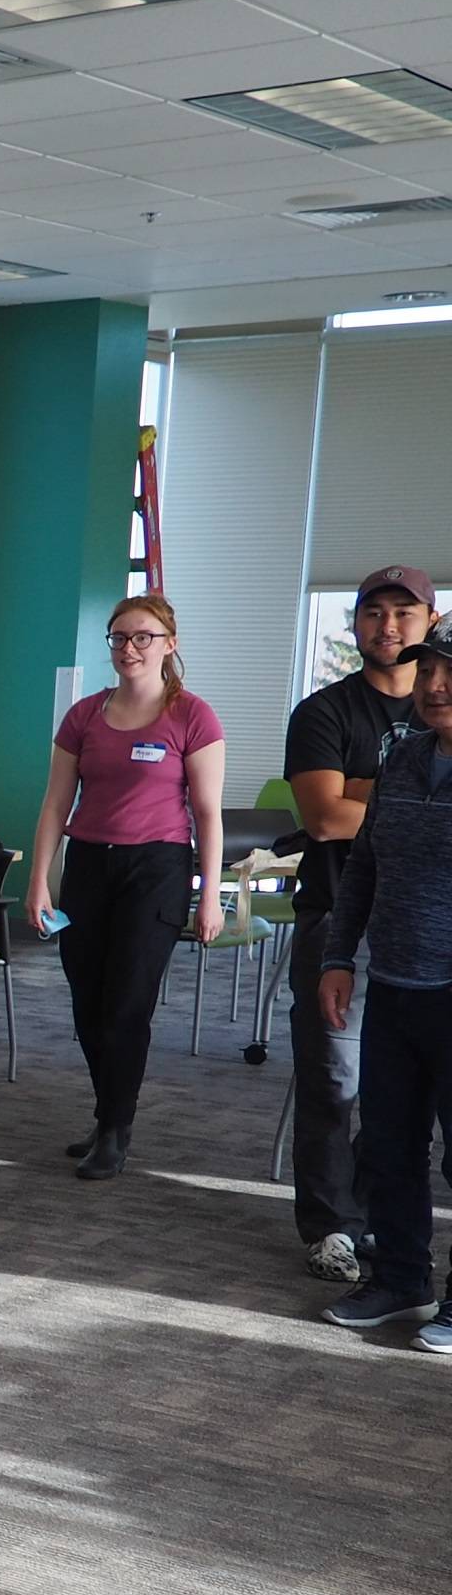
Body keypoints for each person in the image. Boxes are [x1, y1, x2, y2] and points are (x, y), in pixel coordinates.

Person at [21, 593, 228, 1181]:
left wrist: (208, 894)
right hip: (89, 864)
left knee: (127, 1004)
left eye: (143, 638)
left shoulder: (192, 716)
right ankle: (105, 1111)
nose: (129, 649)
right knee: (87, 1000)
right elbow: (56, 802)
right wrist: (40, 881)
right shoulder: (84, 716)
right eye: (119, 638)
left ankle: (117, 1127)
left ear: (169, 645)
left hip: (157, 867)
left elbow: (208, 813)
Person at [283, 567, 435, 1282]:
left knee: (400, 1098)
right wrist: (411, 797)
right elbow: (324, 817)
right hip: (336, 918)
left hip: (428, 937)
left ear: (430, 624)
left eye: (405, 613)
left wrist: (362, 790)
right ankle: (330, 1227)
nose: (389, 627)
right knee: (331, 1082)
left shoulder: (439, 714)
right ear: (355, 626)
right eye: (373, 613)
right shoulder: (325, 712)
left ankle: (381, 1225)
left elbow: (352, 806)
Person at [318, 628, 452, 1353]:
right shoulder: (402, 757)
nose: (434, 684)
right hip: (395, 984)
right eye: (427, 670)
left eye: (447, 672)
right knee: (391, 1145)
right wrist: (339, 955)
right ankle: (402, 1276)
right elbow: (364, 866)